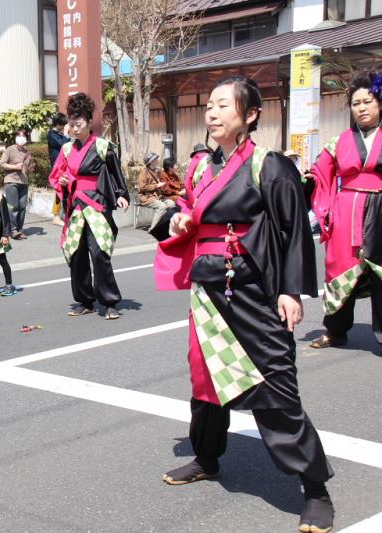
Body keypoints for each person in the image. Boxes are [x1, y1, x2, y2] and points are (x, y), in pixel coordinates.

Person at [154, 75, 333, 533]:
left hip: (252, 292)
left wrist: (291, 291)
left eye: (223, 105)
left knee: (276, 386)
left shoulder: (268, 166)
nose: (212, 113)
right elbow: (188, 216)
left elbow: (294, 232)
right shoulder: (199, 168)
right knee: (207, 381)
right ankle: (207, 458)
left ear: (250, 115)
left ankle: (314, 488)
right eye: (209, 106)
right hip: (207, 290)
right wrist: (176, 218)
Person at [309, 71, 382, 349]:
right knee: (338, 270)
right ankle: (335, 331)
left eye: (368, 101)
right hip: (346, 210)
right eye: (355, 103)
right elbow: (319, 175)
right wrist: (320, 204)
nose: (361, 107)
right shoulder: (337, 142)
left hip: (381, 211)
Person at [48, 92, 130, 320]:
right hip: (76, 205)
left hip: (98, 204)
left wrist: (122, 194)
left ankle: (110, 301)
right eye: (71, 125)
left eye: (78, 124)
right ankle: (85, 300)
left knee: (99, 251)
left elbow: (116, 174)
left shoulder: (103, 146)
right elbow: (57, 176)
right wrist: (63, 181)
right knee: (77, 252)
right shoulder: (66, 150)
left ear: (88, 123)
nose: (74, 129)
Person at [0, 127, 34, 239]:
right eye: (19, 136)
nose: (21, 138)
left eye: (23, 136)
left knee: (22, 207)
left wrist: (31, 167)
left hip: (24, 182)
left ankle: (19, 229)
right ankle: (13, 230)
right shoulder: (10, 149)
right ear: (15, 137)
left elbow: (28, 168)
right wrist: (14, 167)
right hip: (11, 181)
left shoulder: (27, 152)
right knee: (13, 207)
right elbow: (2, 164)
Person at [138, 152, 176, 231]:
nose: (157, 160)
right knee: (161, 206)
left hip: (158, 196)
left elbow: (160, 183)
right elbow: (142, 188)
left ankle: (167, 226)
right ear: (151, 161)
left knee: (172, 204)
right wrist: (156, 186)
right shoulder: (143, 172)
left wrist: (164, 186)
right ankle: (153, 229)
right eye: (155, 159)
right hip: (147, 197)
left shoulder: (158, 171)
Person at [48, 113, 71, 226]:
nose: (64, 127)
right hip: (57, 167)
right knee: (59, 190)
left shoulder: (58, 134)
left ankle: (63, 215)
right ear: (57, 124)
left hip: (64, 166)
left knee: (64, 190)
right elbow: (64, 145)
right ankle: (56, 216)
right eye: (62, 125)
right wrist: (66, 134)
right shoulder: (52, 134)